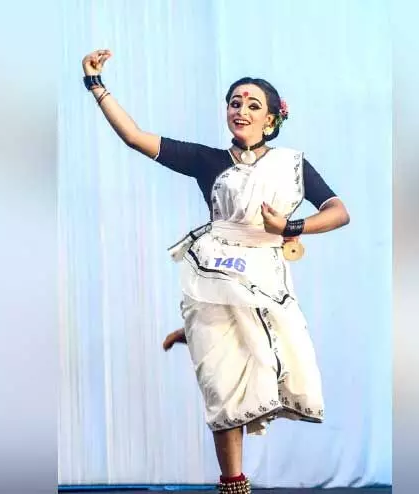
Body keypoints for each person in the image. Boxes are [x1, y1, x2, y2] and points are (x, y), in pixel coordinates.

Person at [82, 49, 350, 493]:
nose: (241, 109)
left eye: (252, 104)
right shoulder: (206, 160)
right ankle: (233, 482)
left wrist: (290, 226)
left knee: (268, 367)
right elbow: (134, 137)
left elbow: (338, 211)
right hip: (214, 272)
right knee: (222, 381)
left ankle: (196, 331)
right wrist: (96, 85)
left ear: (270, 119)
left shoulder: (291, 164)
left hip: (264, 278)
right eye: (234, 102)